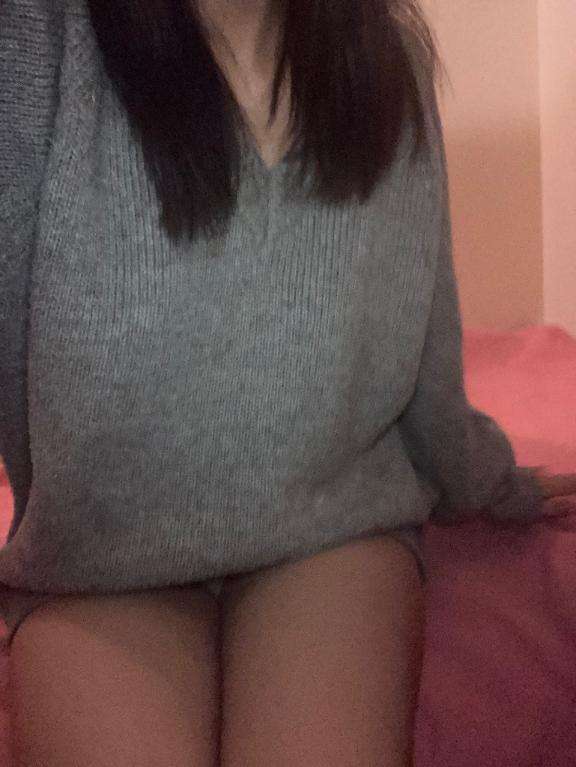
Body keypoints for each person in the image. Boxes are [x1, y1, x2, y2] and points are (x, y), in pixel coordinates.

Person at [0, 1, 574, 765]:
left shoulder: (388, 59)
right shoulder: (35, 42)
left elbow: (426, 349)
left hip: (328, 533)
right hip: (99, 563)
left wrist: (495, 484)